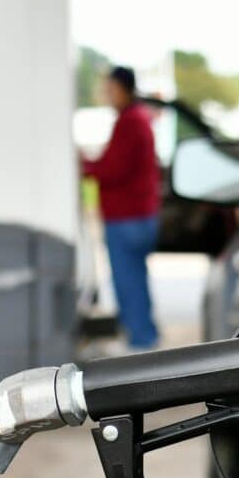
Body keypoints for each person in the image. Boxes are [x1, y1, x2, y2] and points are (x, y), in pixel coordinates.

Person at [82, 66, 161, 351]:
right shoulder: (140, 119)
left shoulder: (130, 122)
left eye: (111, 88)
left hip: (127, 217)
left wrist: (84, 165)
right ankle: (145, 335)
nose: (107, 94)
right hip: (139, 215)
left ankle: (140, 341)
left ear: (124, 88)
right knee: (136, 280)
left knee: (128, 282)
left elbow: (112, 170)